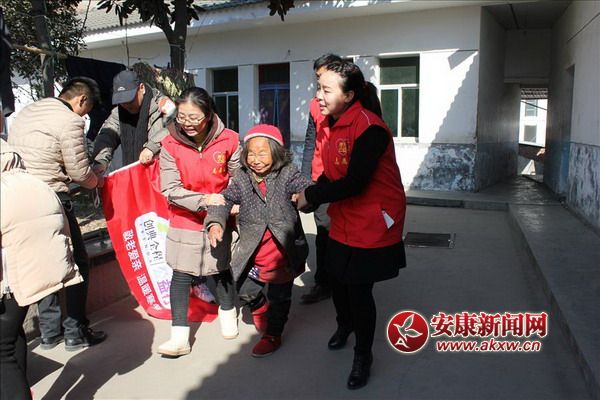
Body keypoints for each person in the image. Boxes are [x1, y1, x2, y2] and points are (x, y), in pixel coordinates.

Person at [297, 61, 407, 390]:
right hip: (345, 214)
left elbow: (356, 181)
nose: (318, 96)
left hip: (373, 217)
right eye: (318, 88)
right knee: (337, 279)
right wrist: (311, 194)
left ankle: (363, 356)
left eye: (326, 90)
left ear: (349, 95)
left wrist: (312, 195)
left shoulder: (370, 128)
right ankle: (344, 325)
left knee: (359, 289)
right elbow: (333, 172)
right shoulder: (332, 124)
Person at [8, 77, 107, 351]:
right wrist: (97, 180)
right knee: (77, 262)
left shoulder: (30, 110)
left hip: (20, 197)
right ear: (81, 100)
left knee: (43, 265)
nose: (84, 117)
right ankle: (76, 331)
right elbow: (78, 172)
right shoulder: (70, 120)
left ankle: (50, 333)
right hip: (51, 198)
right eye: (86, 111)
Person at [206, 124, 311, 357]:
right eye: (251, 153)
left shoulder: (288, 174)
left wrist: (305, 197)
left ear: (276, 152)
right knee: (245, 290)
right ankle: (259, 306)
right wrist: (215, 222)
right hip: (253, 252)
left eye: (262, 153)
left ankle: (273, 335)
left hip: (282, 253)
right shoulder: (242, 178)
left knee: (280, 298)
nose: (255, 160)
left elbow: (308, 189)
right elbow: (224, 199)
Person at [157, 87, 241, 357]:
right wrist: (204, 200)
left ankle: (228, 313)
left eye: (194, 117)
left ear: (209, 113)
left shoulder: (230, 140)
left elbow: (238, 178)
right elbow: (170, 188)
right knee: (181, 274)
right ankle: (179, 336)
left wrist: (226, 205)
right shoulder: (169, 145)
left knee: (221, 268)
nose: (187, 124)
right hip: (185, 216)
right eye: (182, 117)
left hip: (221, 214)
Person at [1, 139, 83, 399]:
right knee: (11, 337)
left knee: (1, 350)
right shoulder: (34, 182)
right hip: (39, 273)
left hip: (10, 279)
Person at [299, 53, 342, 305]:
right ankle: (323, 282)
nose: (320, 87)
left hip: (344, 179)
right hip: (320, 179)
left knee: (343, 232)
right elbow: (310, 141)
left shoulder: (349, 106)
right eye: (317, 80)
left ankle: (343, 280)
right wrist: (306, 179)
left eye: (324, 80)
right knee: (324, 231)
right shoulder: (315, 105)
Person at [92, 69, 175, 171]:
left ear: (142, 88)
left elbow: (174, 129)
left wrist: (152, 147)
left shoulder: (163, 106)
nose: (127, 105)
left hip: (159, 170)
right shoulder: (119, 112)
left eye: (130, 99)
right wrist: (101, 161)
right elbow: (107, 135)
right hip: (129, 170)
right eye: (122, 101)